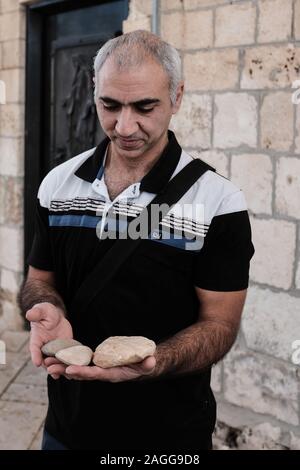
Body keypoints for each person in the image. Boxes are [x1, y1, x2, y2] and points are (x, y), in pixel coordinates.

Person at [19, 30, 254, 451]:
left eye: (145, 106)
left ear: (177, 97)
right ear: (94, 92)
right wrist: (46, 310)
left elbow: (220, 324)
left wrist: (153, 362)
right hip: (66, 428)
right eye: (110, 105)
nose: (124, 126)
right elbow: (40, 279)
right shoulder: (59, 184)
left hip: (168, 436)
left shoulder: (218, 201)